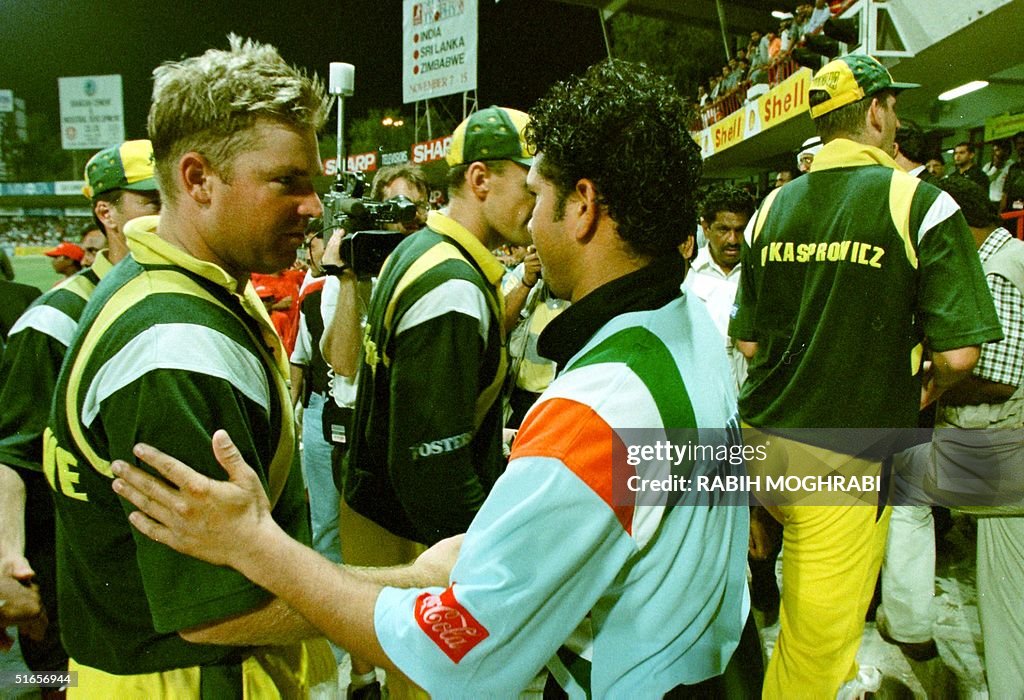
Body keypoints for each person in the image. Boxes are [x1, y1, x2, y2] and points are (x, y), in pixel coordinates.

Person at [111, 58, 751, 698]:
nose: (530, 220)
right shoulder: (689, 323)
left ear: (582, 207)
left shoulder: (598, 403)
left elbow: (450, 651)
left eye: (540, 195)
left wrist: (255, 545)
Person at [46, 36, 337, 697]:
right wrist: (408, 589)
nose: (313, 206)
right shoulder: (171, 345)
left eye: (315, 182)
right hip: (191, 681)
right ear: (198, 179)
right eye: (288, 181)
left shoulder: (164, 278)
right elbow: (218, 614)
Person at [729, 54, 1002, 698]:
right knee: (814, 657)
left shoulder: (769, 209)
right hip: (845, 454)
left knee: (796, 610)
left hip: (759, 444)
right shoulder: (921, 205)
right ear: (877, 112)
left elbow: (747, 340)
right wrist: (919, 391)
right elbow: (962, 357)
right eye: (896, 107)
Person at [0, 139, 161, 686]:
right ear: (106, 213)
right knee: (54, 684)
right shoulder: (55, 320)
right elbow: (12, 456)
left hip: (145, 568)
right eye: (151, 200)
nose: (166, 213)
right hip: (71, 568)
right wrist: (7, 558)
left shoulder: (171, 296)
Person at [878, 177, 1024, 696]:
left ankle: (914, 629)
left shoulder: (996, 269)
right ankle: (908, 624)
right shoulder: (1010, 256)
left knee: (1007, 602)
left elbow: (997, 374)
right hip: (998, 444)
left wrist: (921, 388)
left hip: (1001, 446)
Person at [684, 185, 755, 392]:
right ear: (706, 228)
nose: (733, 240)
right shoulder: (689, 281)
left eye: (740, 230)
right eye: (723, 230)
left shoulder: (762, 275)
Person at [981, 138, 1014, 204]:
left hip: (1002, 203)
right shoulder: (988, 166)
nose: (995, 153)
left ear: (1006, 151)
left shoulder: (1012, 166)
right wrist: (995, 167)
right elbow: (983, 182)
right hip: (988, 202)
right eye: (994, 150)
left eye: (998, 150)